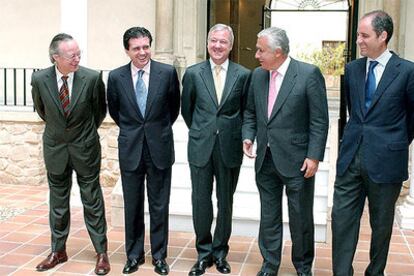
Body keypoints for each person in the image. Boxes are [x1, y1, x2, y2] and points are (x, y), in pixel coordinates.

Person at [331, 10, 414, 276]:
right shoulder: (352, 69)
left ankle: (375, 272)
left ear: (383, 35)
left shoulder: (407, 71)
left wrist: (394, 142)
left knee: (381, 225)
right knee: (342, 221)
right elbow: (352, 114)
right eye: (358, 35)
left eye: (364, 35)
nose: (359, 41)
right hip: (350, 159)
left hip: (387, 161)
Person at [242, 27, 329, 276]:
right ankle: (270, 265)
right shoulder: (257, 76)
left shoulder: (308, 74)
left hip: (298, 161)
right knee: (269, 216)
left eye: (261, 50)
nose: (256, 55)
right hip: (265, 160)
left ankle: (303, 266)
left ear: (277, 52)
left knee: (300, 216)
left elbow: (319, 120)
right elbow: (250, 112)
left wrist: (314, 156)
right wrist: (247, 136)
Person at [31, 33, 110, 275]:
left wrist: (81, 135)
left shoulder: (92, 78)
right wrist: (62, 134)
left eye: (78, 54)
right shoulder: (40, 78)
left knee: (92, 200)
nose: (77, 59)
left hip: (85, 149)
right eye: (71, 55)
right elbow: (42, 110)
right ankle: (58, 251)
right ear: (56, 57)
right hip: (56, 149)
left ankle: (102, 253)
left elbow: (99, 112)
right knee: (58, 202)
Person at [107, 27, 180, 275]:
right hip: (131, 149)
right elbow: (116, 112)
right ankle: (134, 256)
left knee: (159, 205)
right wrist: (135, 131)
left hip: (159, 148)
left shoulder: (167, 73)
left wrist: (154, 131)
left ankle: (159, 256)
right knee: (133, 205)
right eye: (136, 47)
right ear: (127, 50)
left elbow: (174, 109)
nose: (142, 52)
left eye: (146, 46)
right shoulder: (116, 77)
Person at [181, 23, 251, 276]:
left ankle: (220, 252)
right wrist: (203, 130)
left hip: (229, 147)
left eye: (223, 42)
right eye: (213, 41)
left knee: (225, 201)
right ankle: (203, 252)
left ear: (230, 46)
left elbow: (246, 112)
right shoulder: (192, 73)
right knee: (200, 201)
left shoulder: (243, 75)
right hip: (201, 146)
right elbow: (187, 111)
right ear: (207, 43)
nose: (217, 46)